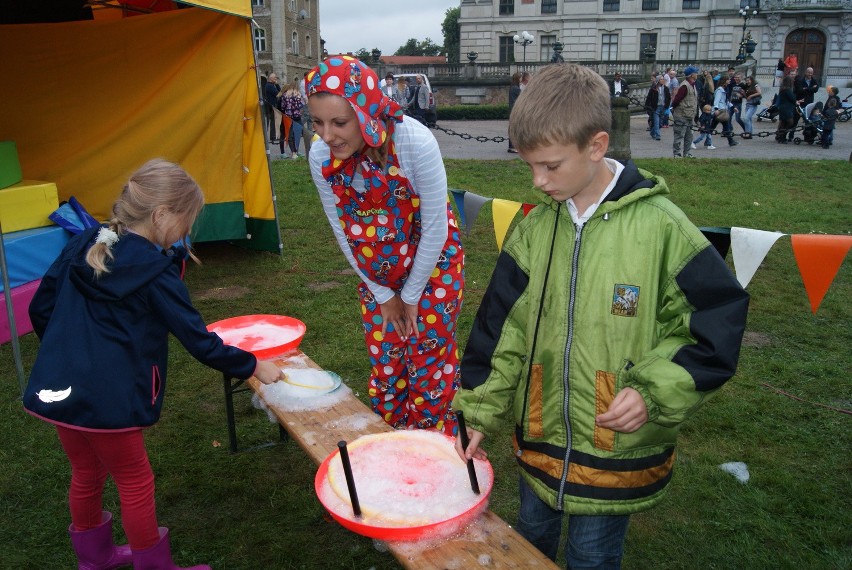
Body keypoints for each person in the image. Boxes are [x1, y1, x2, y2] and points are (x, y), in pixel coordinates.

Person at [452, 63, 749, 569]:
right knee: (529, 543)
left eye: (550, 165)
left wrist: (652, 390)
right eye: (529, 167)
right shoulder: (531, 232)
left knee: (591, 556)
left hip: (616, 446)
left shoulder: (663, 230)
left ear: (595, 146)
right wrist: (478, 412)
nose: (537, 181)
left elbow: (713, 322)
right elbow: (501, 331)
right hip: (541, 438)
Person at [22, 159, 283, 569]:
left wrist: (65, 354)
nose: (187, 232)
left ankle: (95, 559)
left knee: (86, 472)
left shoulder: (87, 240)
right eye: (187, 221)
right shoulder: (155, 273)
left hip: (60, 388)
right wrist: (252, 366)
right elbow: (199, 341)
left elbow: (42, 307)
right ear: (162, 215)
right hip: (111, 399)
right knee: (134, 481)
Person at [305, 56, 465, 434]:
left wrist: (410, 295)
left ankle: (433, 451)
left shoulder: (414, 141)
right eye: (317, 122)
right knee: (387, 364)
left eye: (339, 122)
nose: (327, 135)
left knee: (428, 364)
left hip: (434, 267)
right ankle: (389, 448)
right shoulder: (319, 155)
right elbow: (341, 229)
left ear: (366, 111)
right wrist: (382, 293)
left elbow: (436, 229)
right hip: (377, 275)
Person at [670, 65, 701, 157]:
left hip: (689, 114)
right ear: (691, 75)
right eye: (695, 73)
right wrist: (673, 108)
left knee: (689, 136)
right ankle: (677, 153)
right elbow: (677, 99)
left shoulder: (693, 84)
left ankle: (687, 153)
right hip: (682, 114)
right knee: (679, 135)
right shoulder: (685, 85)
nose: (697, 74)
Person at [280, 77, 305, 160]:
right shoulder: (298, 94)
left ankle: (293, 153)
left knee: (289, 135)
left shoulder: (285, 95)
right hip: (297, 116)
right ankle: (297, 151)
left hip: (288, 117)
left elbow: (282, 106)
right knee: (297, 134)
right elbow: (302, 105)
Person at [792, 67, 819, 140]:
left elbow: (816, 90)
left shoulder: (814, 81)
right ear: (805, 72)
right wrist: (810, 89)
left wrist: (806, 89)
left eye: (811, 72)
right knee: (795, 120)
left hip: (809, 103)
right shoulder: (800, 80)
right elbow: (799, 90)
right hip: (800, 102)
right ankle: (791, 136)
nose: (810, 74)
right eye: (808, 72)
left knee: (808, 121)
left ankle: (808, 136)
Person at [713, 74, 739, 147]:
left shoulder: (724, 89)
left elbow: (726, 101)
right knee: (712, 127)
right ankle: (731, 141)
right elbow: (716, 100)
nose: (729, 80)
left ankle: (731, 141)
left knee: (725, 126)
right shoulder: (720, 90)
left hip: (723, 110)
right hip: (720, 111)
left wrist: (733, 107)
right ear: (725, 81)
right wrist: (716, 109)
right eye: (728, 79)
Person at [644, 74, 670, 141]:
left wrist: (667, 105)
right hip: (656, 107)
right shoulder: (654, 89)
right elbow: (649, 98)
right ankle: (658, 135)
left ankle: (652, 132)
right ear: (658, 80)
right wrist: (647, 106)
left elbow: (668, 98)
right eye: (661, 79)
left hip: (663, 107)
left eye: (663, 79)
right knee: (656, 122)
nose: (663, 80)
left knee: (660, 123)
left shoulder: (666, 88)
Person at [775, 75, 797, 144]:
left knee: (784, 123)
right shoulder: (788, 90)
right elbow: (793, 99)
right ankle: (783, 136)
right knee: (790, 122)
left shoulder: (783, 89)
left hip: (783, 108)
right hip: (787, 108)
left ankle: (781, 137)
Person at [263, 72, 282, 143]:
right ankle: (273, 137)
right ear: (271, 79)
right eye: (275, 78)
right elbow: (279, 94)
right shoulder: (269, 86)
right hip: (272, 106)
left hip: (272, 105)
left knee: (274, 121)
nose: (276, 79)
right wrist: (277, 84)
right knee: (273, 122)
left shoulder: (270, 85)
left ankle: (273, 136)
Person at [508, 72, 523, 153]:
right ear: (518, 79)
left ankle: (511, 146)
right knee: (515, 129)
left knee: (512, 129)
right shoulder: (516, 89)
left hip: (512, 110)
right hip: (515, 111)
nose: (521, 79)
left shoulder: (512, 87)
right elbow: (524, 96)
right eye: (520, 78)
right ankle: (513, 147)